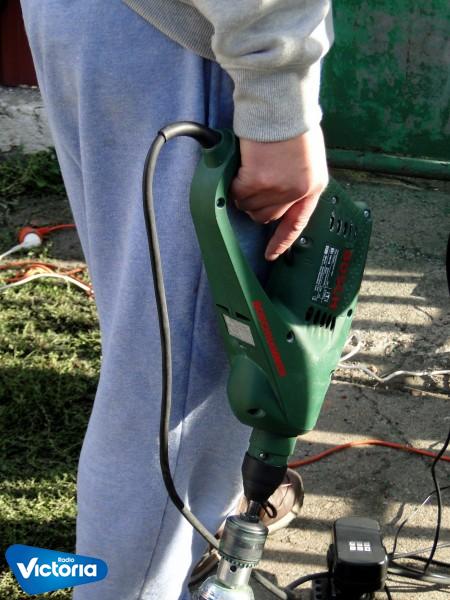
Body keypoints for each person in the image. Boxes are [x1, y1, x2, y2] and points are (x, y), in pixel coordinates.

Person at [19, 1, 333, 598]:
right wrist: (275, 89)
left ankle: (174, 546)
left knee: (146, 360)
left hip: (96, 23)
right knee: (175, 397)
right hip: (189, 39)